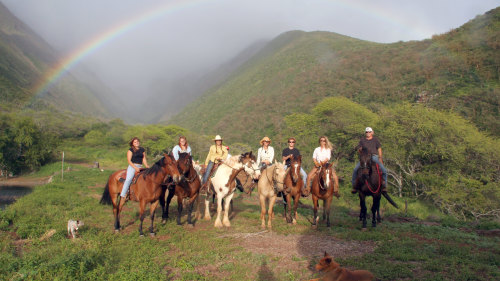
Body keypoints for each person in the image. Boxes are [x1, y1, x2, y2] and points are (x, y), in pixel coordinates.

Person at [351, 127, 387, 193]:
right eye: (366, 132)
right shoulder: (362, 140)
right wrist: (360, 150)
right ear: (365, 133)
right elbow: (359, 149)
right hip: (365, 157)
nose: (368, 133)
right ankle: (354, 186)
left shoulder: (375, 140)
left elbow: (379, 149)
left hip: (374, 156)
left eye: (369, 132)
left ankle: (384, 185)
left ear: (372, 132)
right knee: (355, 169)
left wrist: (380, 158)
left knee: (383, 170)